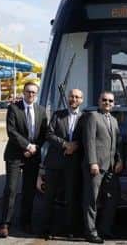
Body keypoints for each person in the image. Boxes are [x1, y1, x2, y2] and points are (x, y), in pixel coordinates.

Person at [0, 82, 47, 238]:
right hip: (15, 155)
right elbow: (11, 131)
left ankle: (26, 221)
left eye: (33, 92)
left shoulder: (41, 110)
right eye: (28, 92)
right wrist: (27, 147)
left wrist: (34, 148)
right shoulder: (14, 108)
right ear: (23, 92)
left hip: (33, 156)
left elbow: (44, 133)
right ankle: (5, 223)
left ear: (36, 94)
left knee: (29, 191)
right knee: (11, 189)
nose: (30, 94)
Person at [42, 89, 84, 239]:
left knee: (71, 199)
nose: (74, 99)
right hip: (54, 163)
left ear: (81, 100)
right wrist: (65, 144)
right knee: (49, 197)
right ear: (68, 98)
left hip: (73, 165)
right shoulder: (57, 115)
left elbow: (88, 137)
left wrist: (76, 145)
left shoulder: (85, 117)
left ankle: (69, 229)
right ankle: (46, 228)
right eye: (71, 96)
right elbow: (49, 134)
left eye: (77, 97)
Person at [82, 91, 123, 243]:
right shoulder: (93, 116)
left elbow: (117, 143)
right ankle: (91, 232)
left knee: (112, 199)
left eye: (110, 101)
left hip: (111, 167)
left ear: (113, 103)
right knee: (91, 200)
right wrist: (92, 162)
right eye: (104, 100)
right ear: (99, 101)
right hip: (96, 167)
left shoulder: (114, 120)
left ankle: (105, 229)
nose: (107, 103)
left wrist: (120, 160)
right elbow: (89, 141)